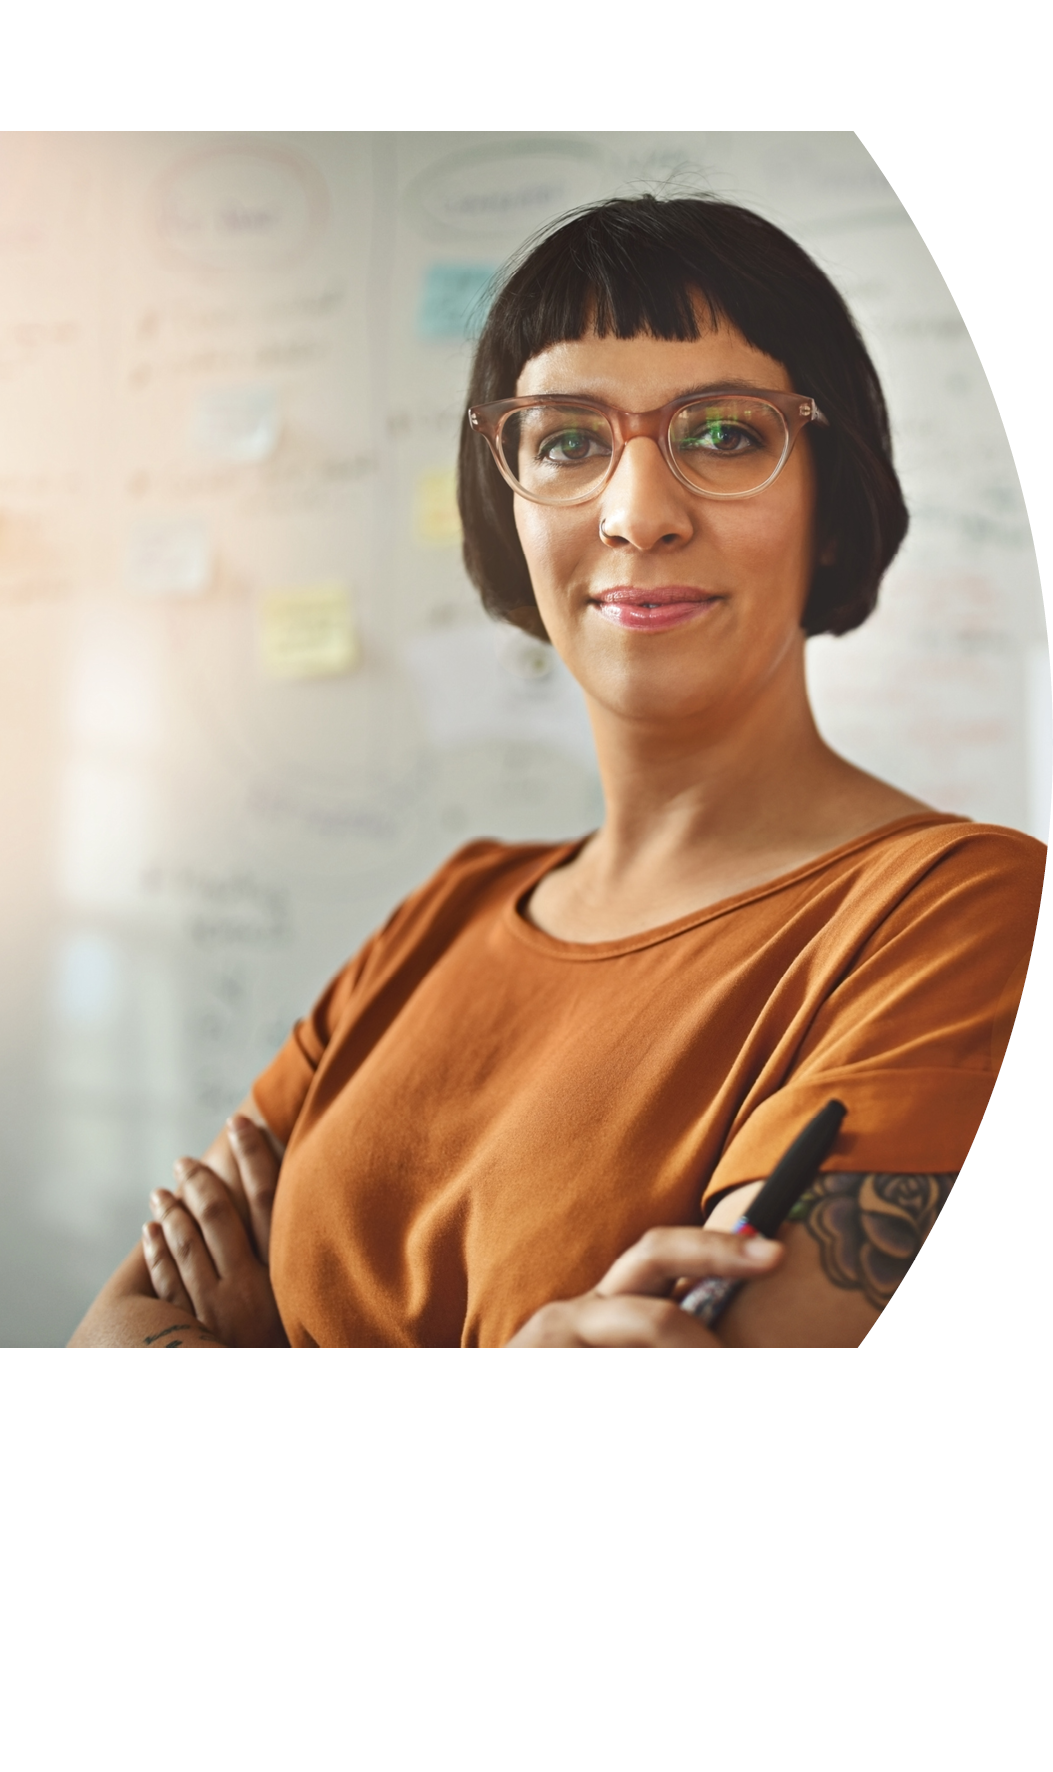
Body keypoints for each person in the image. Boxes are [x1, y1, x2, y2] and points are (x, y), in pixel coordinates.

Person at [70, 194, 1044, 1348]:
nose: (638, 514)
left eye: (726, 433)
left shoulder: (960, 917)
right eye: (569, 441)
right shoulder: (445, 912)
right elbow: (108, 1335)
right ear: (508, 508)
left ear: (833, 504)